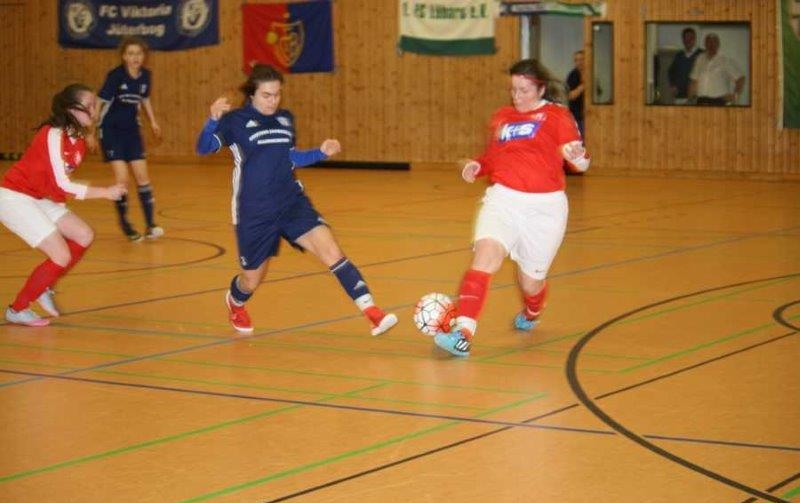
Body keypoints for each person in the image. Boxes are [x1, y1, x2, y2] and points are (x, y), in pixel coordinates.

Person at [195, 64, 398, 335]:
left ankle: (373, 313)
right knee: (251, 280)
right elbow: (204, 148)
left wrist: (321, 152)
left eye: (277, 94)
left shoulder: (285, 119)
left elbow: (290, 157)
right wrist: (212, 121)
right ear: (252, 94)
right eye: (266, 95)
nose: (273, 101)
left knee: (332, 251)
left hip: (291, 202)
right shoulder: (235, 121)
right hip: (254, 211)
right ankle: (235, 301)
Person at [433, 59, 589, 358]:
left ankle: (532, 311)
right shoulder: (502, 117)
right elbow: (494, 158)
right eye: (513, 89)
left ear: (540, 89)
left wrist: (578, 156)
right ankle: (463, 334)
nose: (517, 96)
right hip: (503, 199)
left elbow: (580, 163)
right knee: (485, 256)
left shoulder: (557, 116)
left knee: (530, 282)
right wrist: (476, 166)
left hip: (545, 208)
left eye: (524, 90)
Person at [0, 84, 126, 326]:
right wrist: (104, 192)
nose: (94, 110)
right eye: (89, 106)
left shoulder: (77, 139)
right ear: (71, 109)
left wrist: (60, 210)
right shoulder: (53, 134)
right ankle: (17, 309)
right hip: (13, 197)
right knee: (60, 254)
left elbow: (56, 184)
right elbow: (63, 183)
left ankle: (45, 284)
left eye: (95, 105)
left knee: (83, 234)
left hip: (39, 197)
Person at [94, 36, 164, 242]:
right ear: (124, 56)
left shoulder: (146, 76)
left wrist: (153, 122)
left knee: (143, 178)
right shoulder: (116, 76)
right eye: (131, 53)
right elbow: (100, 102)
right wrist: (90, 130)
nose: (135, 57)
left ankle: (150, 225)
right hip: (111, 132)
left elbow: (145, 99)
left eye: (139, 53)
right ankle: (125, 224)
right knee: (122, 180)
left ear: (144, 56)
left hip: (132, 132)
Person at [688, 33, 746, 106]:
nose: (711, 45)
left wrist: (735, 95)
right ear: (705, 44)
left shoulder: (725, 60)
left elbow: (740, 78)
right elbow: (693, 81)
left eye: (714, 42)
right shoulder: (699, 59)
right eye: (708, 42)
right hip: (701, 101)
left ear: (718, 44)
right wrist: (690, 100)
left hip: (719, 101)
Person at [667, 27, 703, 105]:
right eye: (686, 38)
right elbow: (671, 71)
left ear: (695, 39)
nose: (688, 40)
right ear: (683, 40)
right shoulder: (679, 55)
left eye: (691, 38)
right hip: (680, 96)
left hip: (696, 97)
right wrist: (672, 85)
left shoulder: (702, 54)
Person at [566, 50, 585, 138]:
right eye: (576, 60)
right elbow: (570, 96)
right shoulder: (572, 76)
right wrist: (583, 86)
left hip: (592, 115)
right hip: (577, 116)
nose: (579, 62)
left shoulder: (592, 73)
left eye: (581, 59)